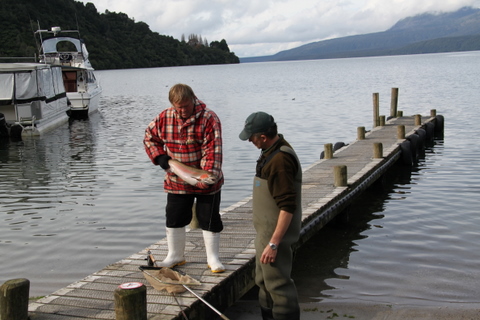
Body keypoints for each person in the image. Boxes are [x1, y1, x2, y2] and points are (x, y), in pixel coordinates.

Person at [144, 83, 225, 273]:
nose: (182, 111)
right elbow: (149, 138)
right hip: (176, 178)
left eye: (186, 106)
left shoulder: (209, 118)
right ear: (172, 104)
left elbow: (214, 151)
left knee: (209, 218)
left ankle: (213, 258)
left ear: (194, 100)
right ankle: (175, 255)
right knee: (174, 217)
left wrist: (205, 177)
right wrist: (161, 157)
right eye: (178, 107)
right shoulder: (164, 117)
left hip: (205, 178)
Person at [239, 111, 302, 320]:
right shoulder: (270, 151)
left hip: (276, 236)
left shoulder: (280, 160)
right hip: (264, 234)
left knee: (279, 284)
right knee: (263, 281)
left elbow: (287, 206)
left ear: (263, 137)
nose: (249, 140)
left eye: (251, 137)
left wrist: (274, 244)